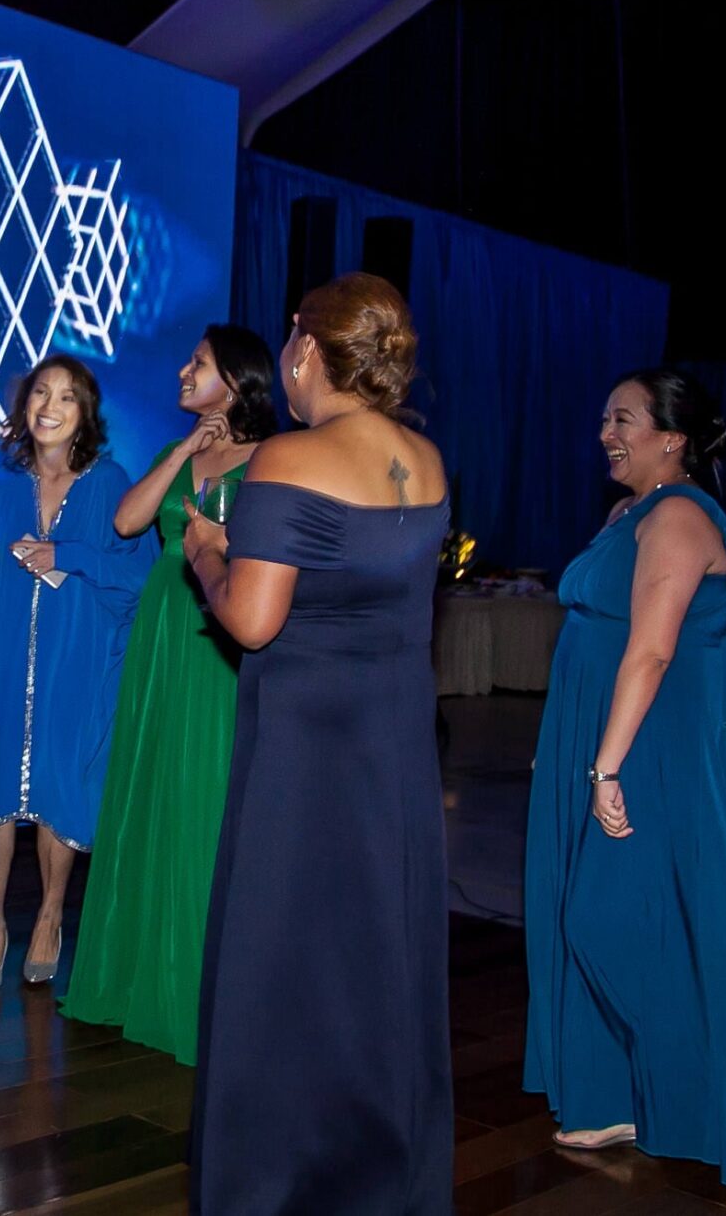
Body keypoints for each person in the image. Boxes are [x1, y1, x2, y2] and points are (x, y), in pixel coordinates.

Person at [181, 273, 452, 1214]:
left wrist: (206, 554)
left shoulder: (290, 458)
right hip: (395, 748)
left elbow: (253, 622)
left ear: (304, 348)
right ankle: (381, 1176)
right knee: (376, 956)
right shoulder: (426, 459)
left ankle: (275, 1181)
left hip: (305, 751)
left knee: (283, 957)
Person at [522, 367, 726, 1187]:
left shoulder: (678, 516)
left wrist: (605, 766)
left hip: (650, 748)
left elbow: (651, 651)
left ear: (672, 437)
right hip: (601, 732)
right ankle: (612, 1096)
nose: (606, 433)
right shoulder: (630, 514)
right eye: (605, 418)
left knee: (614, 918)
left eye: (623, 419)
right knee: (590, 909)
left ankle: (698, 1094)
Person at [62, 324, 274, 1064]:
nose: (184, 371)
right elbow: (127, 522)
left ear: (237, 382)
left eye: (200, 363)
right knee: (148, 790)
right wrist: (184, 453)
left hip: (219, 630)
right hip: (160, 632)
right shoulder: (171, 453)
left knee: (202, 795)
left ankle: (196, 988)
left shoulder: (272, 460)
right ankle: (134, 974)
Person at [0, 355, 153, 991]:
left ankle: (49, 917)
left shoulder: (110, 482)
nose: (50, 406)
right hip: (3, 651)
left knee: (60, 787)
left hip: (76, 654)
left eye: (66, 397)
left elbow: (139, 573)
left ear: (85, 414)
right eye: (41, 392)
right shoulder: (0, 482)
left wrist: (71, 553)